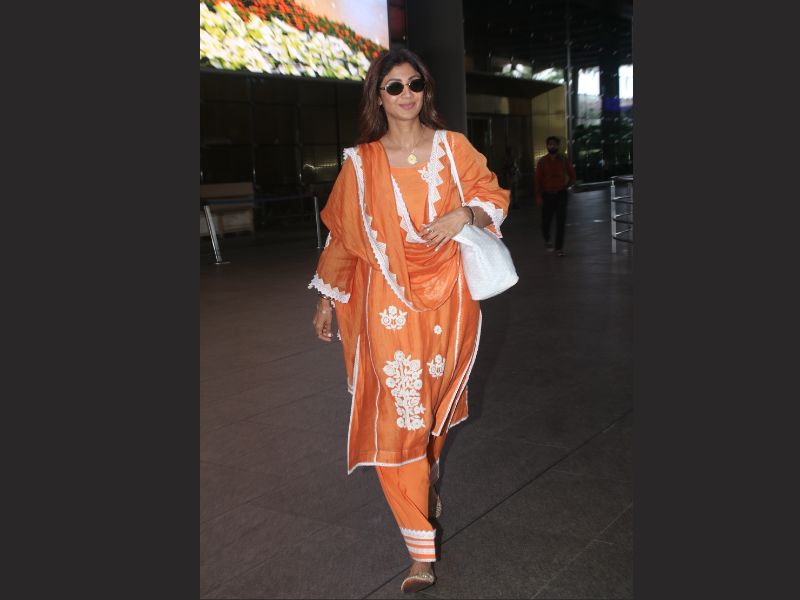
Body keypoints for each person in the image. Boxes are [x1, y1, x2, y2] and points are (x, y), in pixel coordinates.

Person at [308, 48, 509, 594]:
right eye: (393, 87)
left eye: (414, 84)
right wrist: (326, 296)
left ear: (426, 91)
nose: (406, 95)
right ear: (378, 96)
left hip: (450, 298)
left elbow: (493, 197)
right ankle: (420, 552)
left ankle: (427, 464)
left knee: (430, 412)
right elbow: (344, 235)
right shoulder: (360, 162)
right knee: (399, 415)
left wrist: (465, 213)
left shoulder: (454, 147)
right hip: (384, 304)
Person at [534, 136, 576, 256]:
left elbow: (572, 175)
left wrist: (567, 186)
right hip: (547, 195)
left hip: (561, 195)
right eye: (550, 144)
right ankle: (547, 238)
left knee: (561, 221)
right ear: (547, 146)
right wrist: (538, 196)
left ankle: (559, 248)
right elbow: (537, 180)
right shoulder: (542, 162)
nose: (552, 146)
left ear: (558, 146)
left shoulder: (563, 160)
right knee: (545, 222)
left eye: (554, 144)